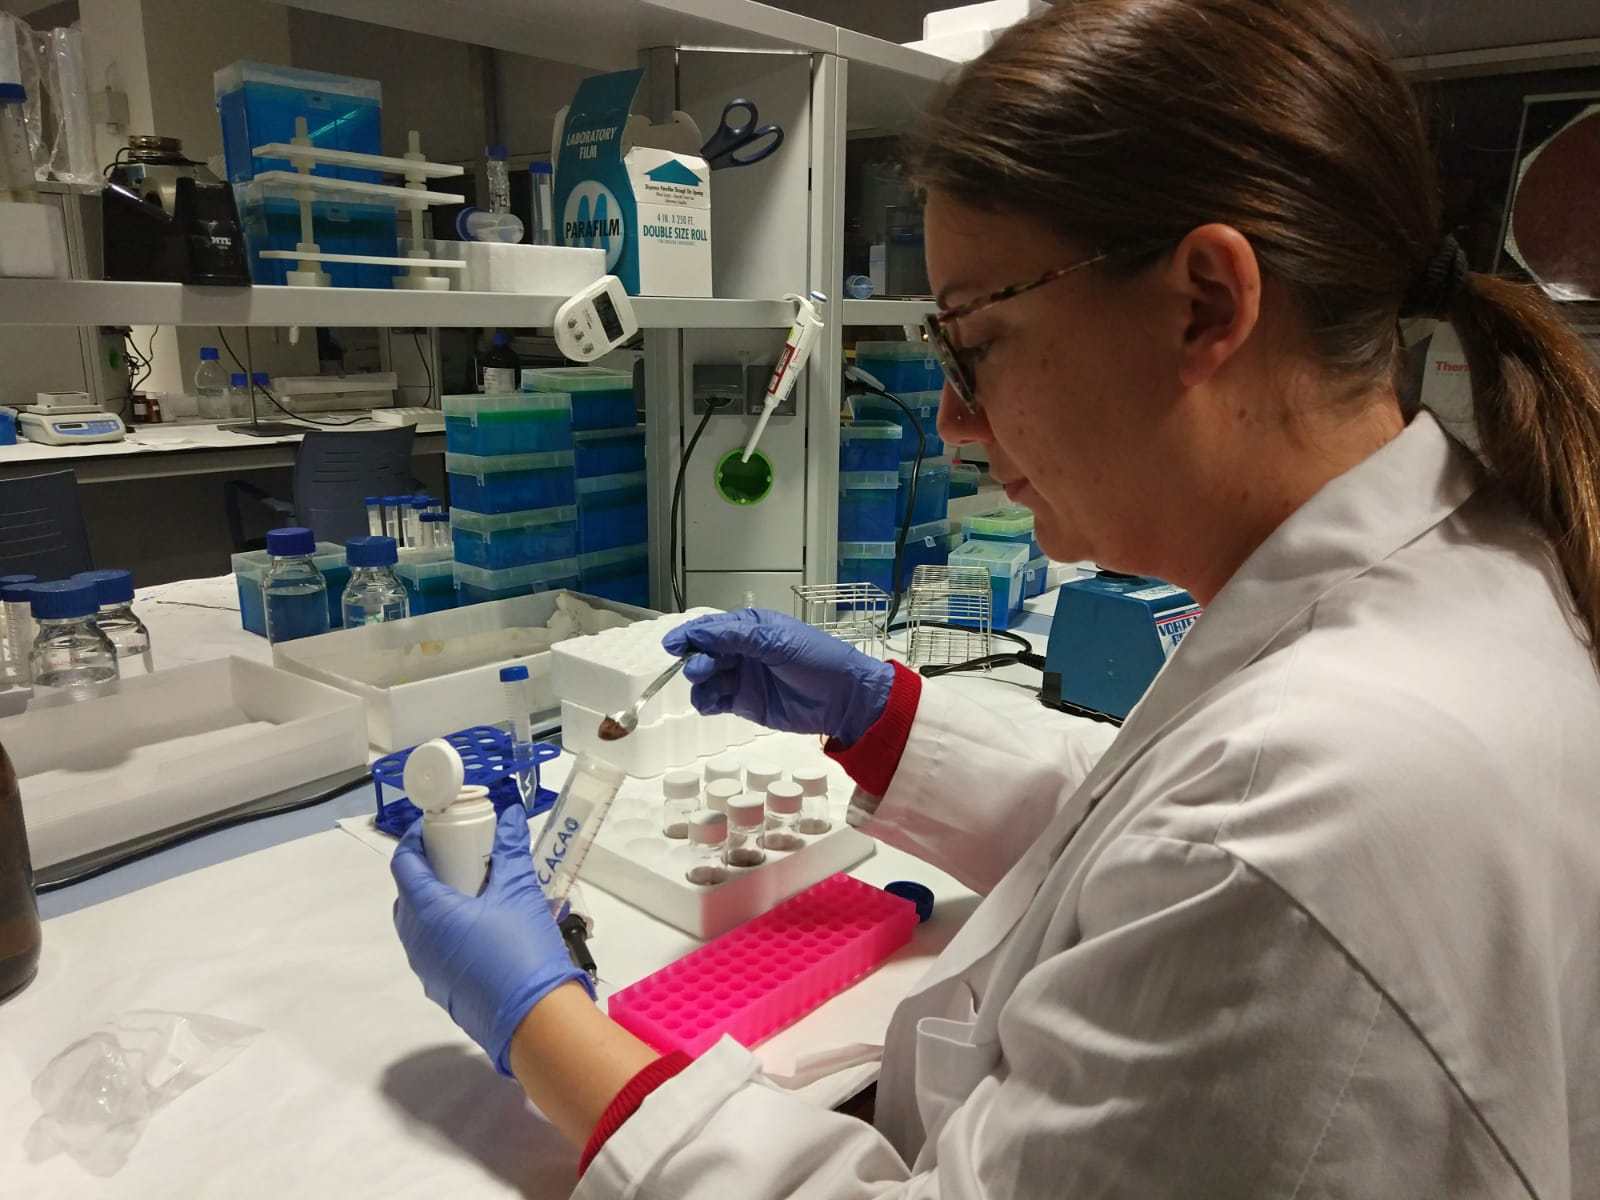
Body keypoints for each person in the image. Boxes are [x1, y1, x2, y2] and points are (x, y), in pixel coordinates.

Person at [391, 0, 1600, 1193]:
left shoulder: (1322, 805)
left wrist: (542, 1025)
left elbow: (1231, 862)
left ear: (1207, 305)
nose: (955, 422)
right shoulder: (1454, 560)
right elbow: (1156, 851)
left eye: (972, 344)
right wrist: (884, 722)